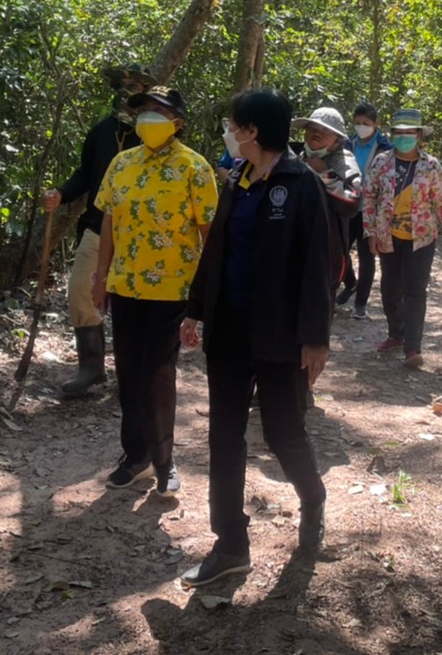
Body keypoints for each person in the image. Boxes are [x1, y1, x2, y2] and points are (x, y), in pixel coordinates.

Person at [179, 90, 333, 587]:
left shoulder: (301, 184)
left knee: (282, 431)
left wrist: (315, 337)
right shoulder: (236, 181)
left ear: (253, 131)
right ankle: (230, 545)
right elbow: (216, 251)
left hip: (279, 334)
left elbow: (319, 264)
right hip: (228, 330)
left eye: (235, 125)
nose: (230, 132)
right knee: (224, 435)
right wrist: (195, 309)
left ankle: (313, 498)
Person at [91, 84, 217, 496]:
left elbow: (209, 232)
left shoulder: (194, 167)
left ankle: (164, 462)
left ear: (177, 123)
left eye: (158, 111)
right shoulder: (122, 163)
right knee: (129, 373)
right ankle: (136, 457)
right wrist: (100, 277)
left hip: (174, 290)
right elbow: (109, 222)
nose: (148, 117)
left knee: (158, 373)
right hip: (126, 286)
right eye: (143, 109)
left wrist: (207, 294)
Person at [42, 62, 154, 398]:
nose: (126, 92)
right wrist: (61, 193)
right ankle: (91, 367)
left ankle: (136, 373)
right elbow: (85, 174)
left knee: (134, 303)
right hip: (97, 227)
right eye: (121, 86)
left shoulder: (153, 136)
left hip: (141, 234)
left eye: (134, 87)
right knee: (81, 291)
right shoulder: (101, 131)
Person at [361, 108, 442, 370]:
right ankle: (396, 334)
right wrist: (370, 232)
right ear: (392, 134)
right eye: (400, 132)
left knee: (415, 291)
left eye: (410, 132)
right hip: (388, 236)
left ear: (419, 135)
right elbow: (369, 197)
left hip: (422, 238)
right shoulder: (381, 162)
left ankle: (412, 347)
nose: (405, 137)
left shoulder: (431, 166)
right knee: (389, 289)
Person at [292, 106, 361, 291]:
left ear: (337, 141)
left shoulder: (344, 163)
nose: (317, 134)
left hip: (326, 251)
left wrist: (325, 174)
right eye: (313, 128)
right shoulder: (294, 158)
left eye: (325, 131)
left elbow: (352, 204)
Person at [339, 102, 393, 318]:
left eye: (366, 123)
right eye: (358, 123)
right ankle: (350, 282)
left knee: (367, 256)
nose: (361, 126)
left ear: (375, 123)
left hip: (371, 210)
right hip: (347, 205)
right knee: (340, 249)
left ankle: (360, 304)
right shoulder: (346, 144)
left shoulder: (385, 148)